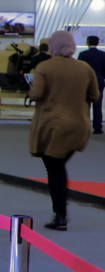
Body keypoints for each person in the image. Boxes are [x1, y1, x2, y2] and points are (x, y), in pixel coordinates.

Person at [28, 30, 100, 231]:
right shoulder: (84, 68)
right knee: (59, 167)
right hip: (78, 125)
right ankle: (61, 213)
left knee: (54, 169)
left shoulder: (45, 66)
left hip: (53, 125)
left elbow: (36, 94)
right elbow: (94, 96)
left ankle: (60, 216)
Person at [79, 35, 105, 134]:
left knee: (86, 105)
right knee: (98, 105)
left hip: (86, 82)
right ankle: (98, 127)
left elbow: (80, 70)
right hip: (99, 81)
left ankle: (85, 126)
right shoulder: (103, 55)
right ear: (98, 43)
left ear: (87, 42)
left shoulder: (83, 54)